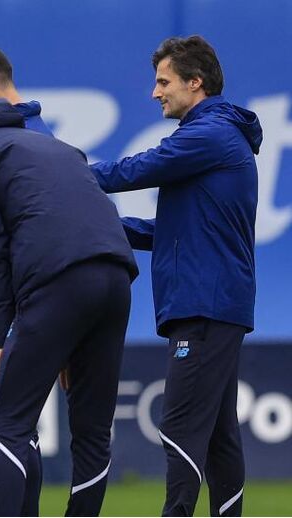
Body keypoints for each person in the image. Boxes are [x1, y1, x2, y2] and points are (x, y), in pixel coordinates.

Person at [89, 35, 260, 517]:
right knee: (220, 436)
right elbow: (169, 231)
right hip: (213, 303)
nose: (155, 92)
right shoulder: (214, 136)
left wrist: (63, 175)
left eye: (163, 82)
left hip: (204, 304)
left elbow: (134, 170)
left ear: (195, 82)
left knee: (180, 428)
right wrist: (99, 225)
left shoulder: (209, 134)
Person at [0, 98, 138, 516]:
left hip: (58, 281)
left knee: (5, 424)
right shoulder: (61, 149)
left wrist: (0, 332)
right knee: (92, 431)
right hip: (117, 276)